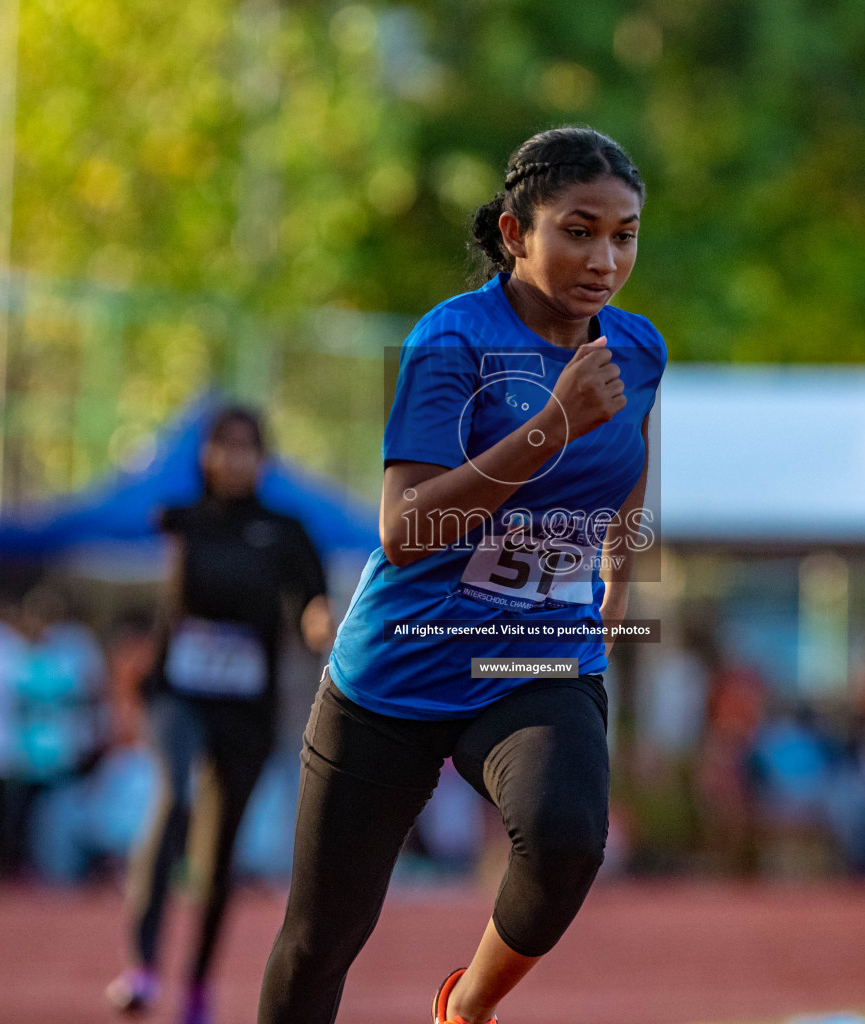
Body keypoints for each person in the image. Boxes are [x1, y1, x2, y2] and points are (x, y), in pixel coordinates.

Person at [257, 126, 665, 1024]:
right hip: (398, 668)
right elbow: (406, 532)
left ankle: (468, 1006)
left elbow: (634, 463)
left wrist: (620, 578)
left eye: (625, 234)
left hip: (537, 659)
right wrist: (551, 425)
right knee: (322, 939)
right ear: (517, 232)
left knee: (566, 841)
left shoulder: (638, 352)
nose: (605, 257)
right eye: (579, 230)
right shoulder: (452, 341)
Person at [108, 406, 333, 1024]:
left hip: (247, 711)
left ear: (264, 459)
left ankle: (199, 986)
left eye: (247, 448)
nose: (233, 459)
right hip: (178, 695)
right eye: (222, 447)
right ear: (204, 455)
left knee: (219, 852)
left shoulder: (285, 531)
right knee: (172, 798)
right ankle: (143, 966)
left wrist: (319, 625)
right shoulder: (180, 519)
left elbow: (313, 602)